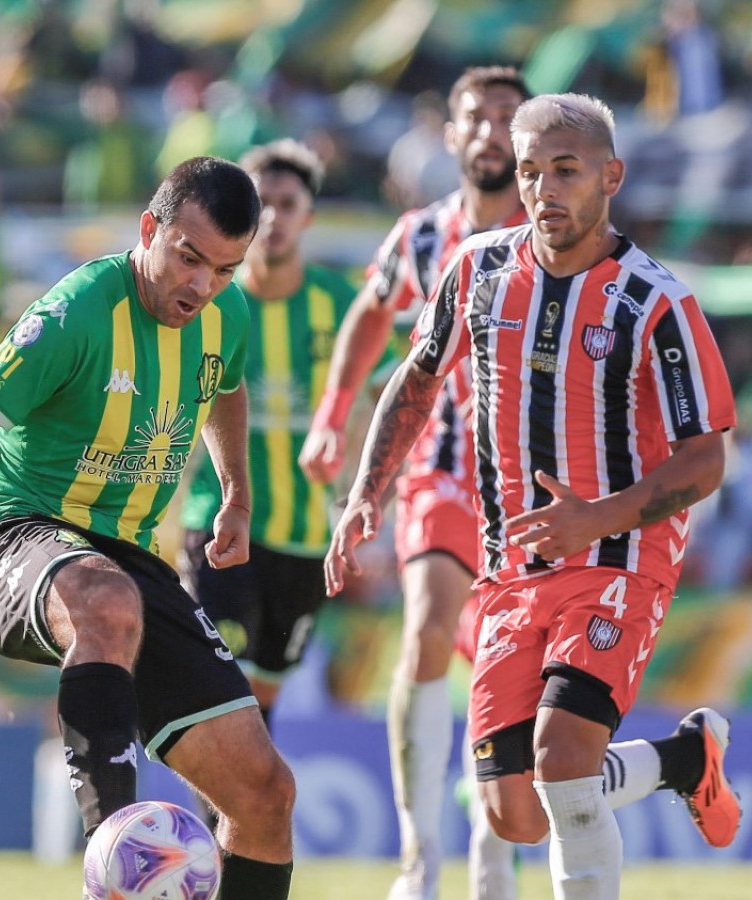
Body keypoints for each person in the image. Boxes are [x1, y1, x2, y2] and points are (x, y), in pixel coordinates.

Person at [325, 93, 742, 900]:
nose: (544, 190)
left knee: (560, 758)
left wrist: (599, 518)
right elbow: (414, 383)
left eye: (566, 171)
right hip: (511, 571)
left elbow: (705, 460)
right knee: (514, 811)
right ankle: (681, 761)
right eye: (529, 173)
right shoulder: (477, 269)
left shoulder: (657, 303)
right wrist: (364, 494)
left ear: (610, 177)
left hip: (621, 558)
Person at [0, 157, 297, 899]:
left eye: (225, 270)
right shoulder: (77, 312)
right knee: (104, 600)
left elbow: (227, 387)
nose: (202, 286)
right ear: (150, 228)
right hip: (13, 533)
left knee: (265, 796)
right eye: (188, 258)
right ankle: (116, 864)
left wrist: (236, 491)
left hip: (127, 561)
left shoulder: (222, 312)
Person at [300, 65, 530, 900]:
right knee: (429, 627)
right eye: (476, 116)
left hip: (536, 485)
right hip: (439, 465)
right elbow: (370, 314)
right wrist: (333, 413)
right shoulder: (422, 235)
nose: (491, 131)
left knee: (511, 670)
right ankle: (418, 859)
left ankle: (492, 842)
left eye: (508, 116)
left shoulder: (556, 238)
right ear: (452, 133)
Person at [177, 139, 355, 730]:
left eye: (288, 202)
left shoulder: (343, 305)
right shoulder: (207, 301)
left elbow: (400, 392)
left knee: (263, 699)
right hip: (222, 520)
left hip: (307, 534)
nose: (274, 217)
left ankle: (246, 819)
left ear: (309, 216)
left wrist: (376, 494)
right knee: (217, 684)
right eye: (262, 203)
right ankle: (213, 822)